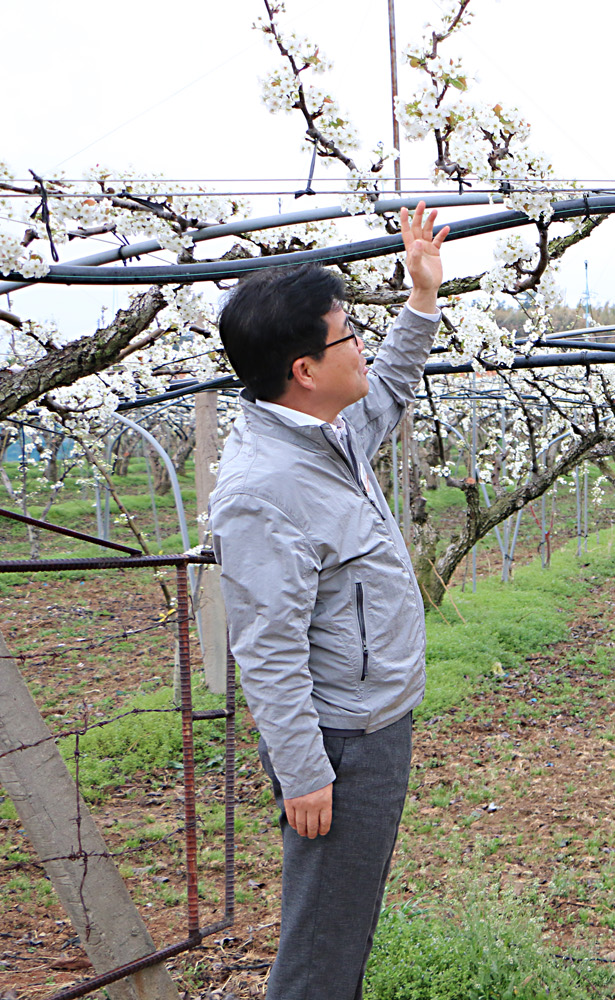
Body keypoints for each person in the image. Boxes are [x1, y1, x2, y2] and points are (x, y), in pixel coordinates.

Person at [210, 204, 448, 1000]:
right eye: (349, 336)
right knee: (322, 943)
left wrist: (421, 300)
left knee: (343, 925)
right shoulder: (263, 488)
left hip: (374, 720)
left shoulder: (326, 434)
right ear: (304, 369)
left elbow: (389, 392)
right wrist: (305, 773)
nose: (362, 350)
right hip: (339, 745)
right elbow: (266, 647)